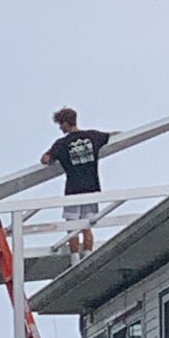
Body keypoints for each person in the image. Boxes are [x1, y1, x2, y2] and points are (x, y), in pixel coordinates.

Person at [41, 105, 110, 258]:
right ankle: (88, 256)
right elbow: (112, 136)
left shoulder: (62, 143)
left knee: (72, 227)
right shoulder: (93, 136)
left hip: (73, 189)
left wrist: (53, 158)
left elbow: (45, 159)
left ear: (66, 123)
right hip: (91, 188)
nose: (60, 127)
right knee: (87, 226)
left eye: (60, 124)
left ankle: (75, 260)